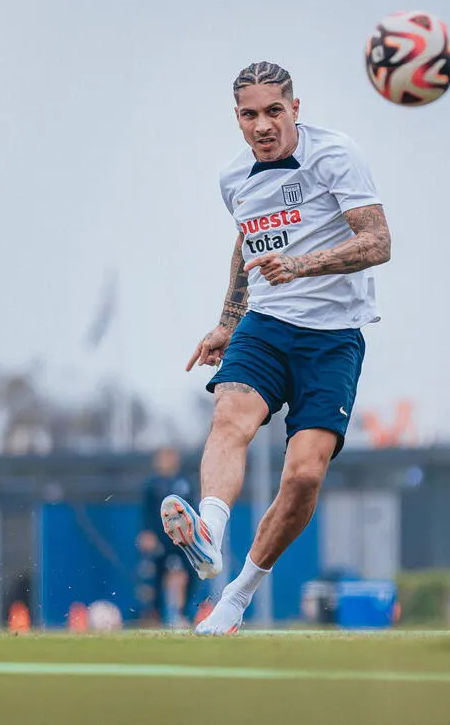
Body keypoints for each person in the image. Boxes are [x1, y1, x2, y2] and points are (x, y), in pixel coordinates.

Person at [161, 61, 391, 634]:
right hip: (265, 324)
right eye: (249, 114)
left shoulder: (334, 154)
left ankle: (236, 598)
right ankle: (208, 533)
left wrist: (302, 264)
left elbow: (378, 241)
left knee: (305, 475)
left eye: (273, 111)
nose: (262, 125)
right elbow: (246, 242)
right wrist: (226, 321)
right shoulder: (233, 177)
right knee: (230, 415)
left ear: (295, 109)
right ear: (236, 118)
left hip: (334, 337)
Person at [138, 447, 200, 626]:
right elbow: (147, 511)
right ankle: (155, 614)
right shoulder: (152, 484)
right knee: (156, 575)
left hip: (182, 539)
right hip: (160, 537)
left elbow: (192, 508)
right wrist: (147, 533)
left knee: (190, 572)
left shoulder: (185, 482)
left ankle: (184, 614)